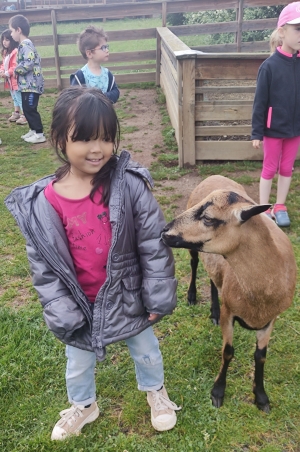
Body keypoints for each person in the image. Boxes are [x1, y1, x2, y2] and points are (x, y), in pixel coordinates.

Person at [5, 86, 180, 441]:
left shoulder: (130, 187)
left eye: (105, 138)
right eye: (84, 139)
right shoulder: (44, 202)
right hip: (80, 303)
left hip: (129, 294)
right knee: (77, 363)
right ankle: (83, 406)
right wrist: (60, 308)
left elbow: (152, 243)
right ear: (59, 139)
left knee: (146, 350)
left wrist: (156, 296)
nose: (96, 149)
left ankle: (156, 392)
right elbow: (43, 266)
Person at [251, 2, 300, 227]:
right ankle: (264, 208)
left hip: (295, 129)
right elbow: (259, 103)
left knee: (287, 168)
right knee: (269, 168)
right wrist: (256, 133)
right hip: (273, 130)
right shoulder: (268, 67)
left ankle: (280, 205)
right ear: (282, 32)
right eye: (297, 29)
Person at [8, 14, 46, 144]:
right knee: (26, 107)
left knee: (30, 108)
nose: (11, 34)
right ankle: (33, 130)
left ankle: (39, 133)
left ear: (19, 30)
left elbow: (28, 63)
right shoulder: (23, 45)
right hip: (26, 85)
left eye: (12, 31)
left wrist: (15, 71)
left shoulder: (26, 45)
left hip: (32, 84)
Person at [70, 26, 119, 104]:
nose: (107, 50)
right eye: (103, 48)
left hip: (106, 115)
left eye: (106, 47)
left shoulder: (107, 74)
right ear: (89, 53)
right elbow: (74, 99)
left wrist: (101, 98)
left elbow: (115, 93)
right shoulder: (79, 76)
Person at [0, 29, 27, 125]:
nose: (4, 42)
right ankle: (16, 112)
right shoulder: (5, 53)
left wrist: (7, 73)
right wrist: (2, 70)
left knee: (19, 97)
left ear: (12, 41)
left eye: (7, 40)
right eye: (3, 39)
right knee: (14, 97)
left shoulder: (15, 52)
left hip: (16, 80)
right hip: (10, 81)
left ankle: (25, 115)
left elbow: (15, 66)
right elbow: (3, 64)